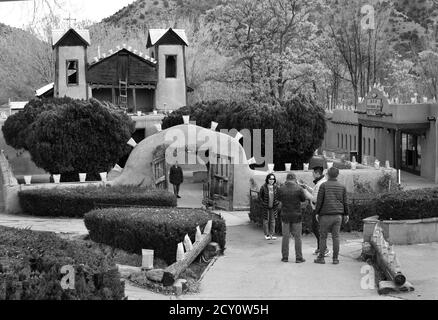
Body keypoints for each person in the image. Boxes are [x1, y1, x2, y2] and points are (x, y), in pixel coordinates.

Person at [314, 167, 350, 265]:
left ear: (328, 174)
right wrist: (346, 214)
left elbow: (319, 201)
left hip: (325, 215)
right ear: (337, 175)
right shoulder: (342, 187)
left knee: (323, 237)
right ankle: (335, 259)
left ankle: (321, 258)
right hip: (338, 215)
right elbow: (345, 202)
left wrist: (317, 213)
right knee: (336, 237)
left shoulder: (323, 185)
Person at [278, 173, 312, 263]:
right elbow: (303, 199)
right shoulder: (299, 188)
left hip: (285, 216)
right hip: (296, 216)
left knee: (285, 237)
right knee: (298, 237)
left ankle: (285, 257)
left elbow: (278, 199)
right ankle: (299, 258)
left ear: (286, 179)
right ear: (294, 179)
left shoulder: (281, 189)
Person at [301, 166, 330, 257]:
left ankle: (324, 248)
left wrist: (304, 191)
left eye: (313, 173)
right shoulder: (321, 182)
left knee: (317, 229)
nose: (312, 175)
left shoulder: (321, 183)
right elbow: (315, 192)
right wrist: (307, 187)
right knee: (316, 229)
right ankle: (319, 248)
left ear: (317, 173)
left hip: (318, 210)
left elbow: (315, 198)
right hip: (319, 209)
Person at [258, 173, 281, 240]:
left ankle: (272, 234)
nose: (271, 180)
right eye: (270, 179)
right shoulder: (263, 187)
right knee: (266, 220)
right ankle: (266, 234)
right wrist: (263, 203)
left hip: (273, 207)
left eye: (273, 179)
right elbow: (260, 197)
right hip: (266, 207)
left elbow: (279, 196)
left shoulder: (276, 187)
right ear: (267, 179)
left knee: (273, 221)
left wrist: (277, 202)